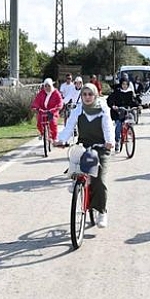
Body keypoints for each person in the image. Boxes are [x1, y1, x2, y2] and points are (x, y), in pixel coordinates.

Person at [55, 83, 115, 228]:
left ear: (95, 95)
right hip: (84, 145)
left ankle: (102, 211)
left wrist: (109, 141)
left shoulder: (102, 109)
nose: (87, 97)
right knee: (75, 155)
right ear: (81, 96)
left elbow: (108, 126)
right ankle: (76, 180)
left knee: (99, 180)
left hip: (101, 147)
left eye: (90, 94)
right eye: (84, 94)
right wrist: (62, 140)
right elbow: (69, 126)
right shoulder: (78, 109)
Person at [106, 76, 140, 152]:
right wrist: (113, 106)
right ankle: (117, 141)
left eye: (126, 84)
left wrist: (138, 105)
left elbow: (133, 101)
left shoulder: (130, 92)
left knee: (131, 117)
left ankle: (130, 131)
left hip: (127, 110)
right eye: (123, 84)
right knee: (118, 124)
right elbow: (110, 100)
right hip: (118, 111)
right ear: (121, 84)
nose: (124, 86)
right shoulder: (117, 91)